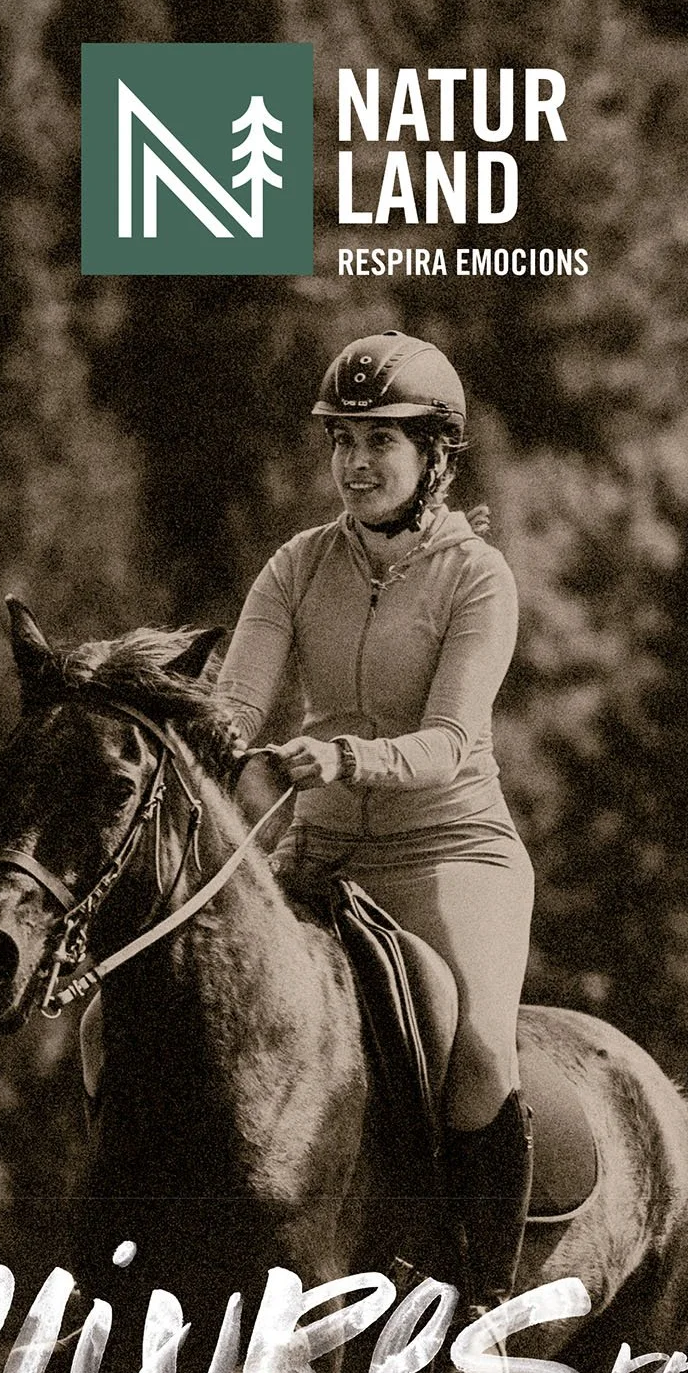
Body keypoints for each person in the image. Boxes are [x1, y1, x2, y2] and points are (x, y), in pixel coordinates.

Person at [216, 330, 536, 1317]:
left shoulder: (479, 578)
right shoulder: (297, 567)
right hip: (315, 846)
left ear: (435, 455)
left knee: (479, 1051)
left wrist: (348, 756)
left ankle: (483, 1304)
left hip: (449, 847)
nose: (354, 465)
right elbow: (234, 705)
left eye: (379, 443)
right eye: (342, 441)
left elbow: (449, 740)